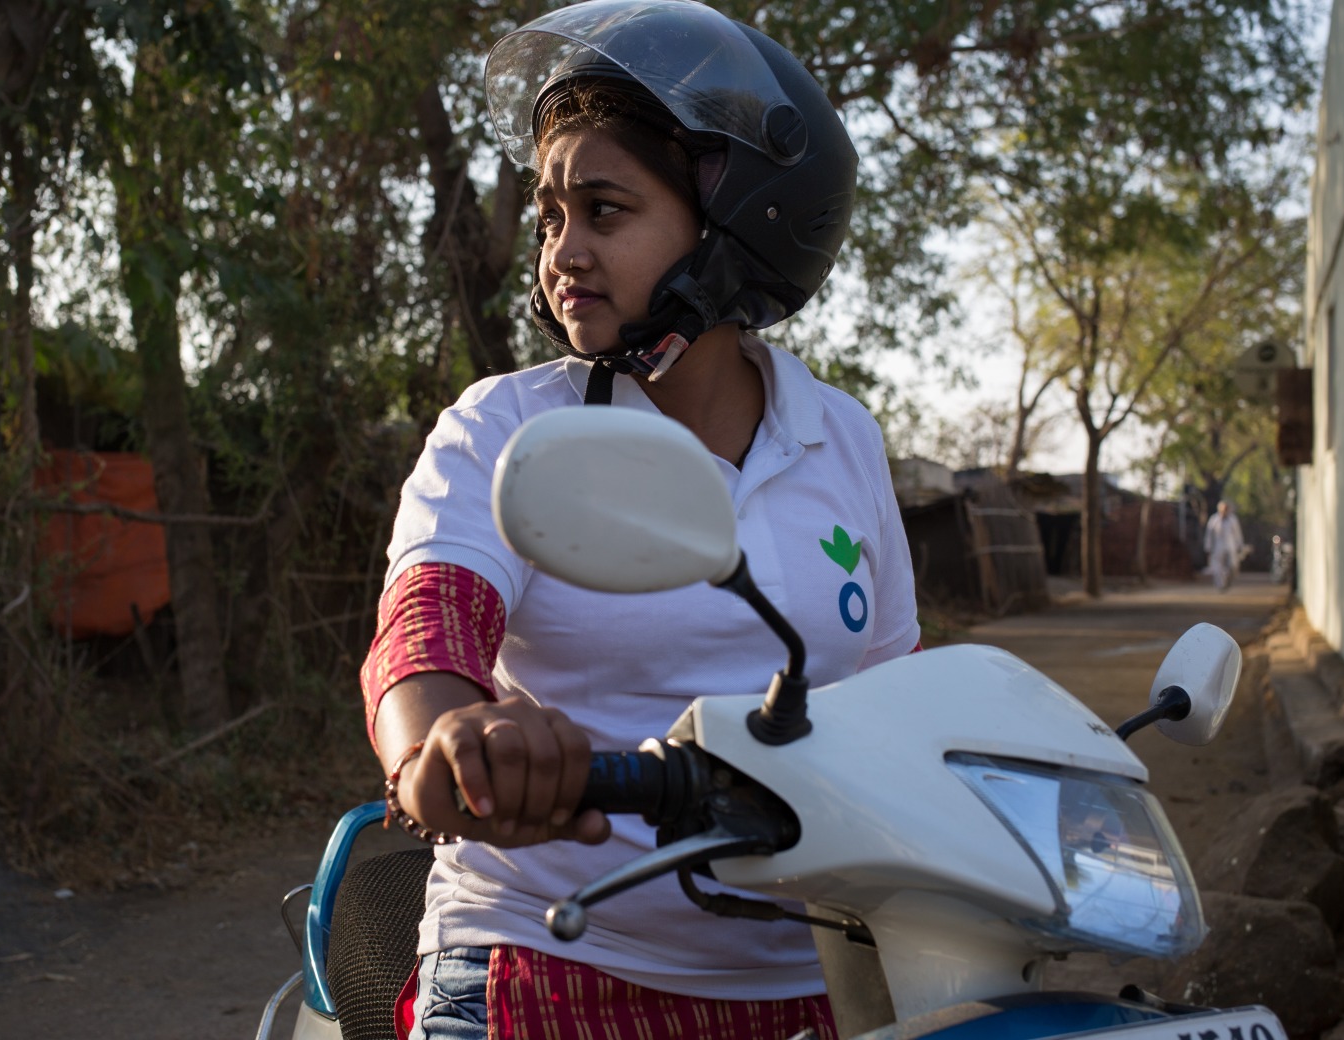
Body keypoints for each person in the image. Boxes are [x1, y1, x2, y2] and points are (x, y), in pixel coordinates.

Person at [358, 3, 922, 1038]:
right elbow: (426, 628)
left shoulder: (840, 440)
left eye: (603, 210)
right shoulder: (506, 426)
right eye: (548, 217)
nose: (560, 252)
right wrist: (450, 733)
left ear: (736, 224)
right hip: (542, 954)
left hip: (816, 984)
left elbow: (896, 703)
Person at [1203, 500, 1245, 591]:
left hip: (1231, 545)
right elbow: (1209, 535)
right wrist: (1208, 547)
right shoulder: (1214, 519)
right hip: (1218, 546)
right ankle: (1220, 585)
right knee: (1217, 567)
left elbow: (1238, 534)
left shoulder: (1233, 519)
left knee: (1233, 565)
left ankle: (1229, 579)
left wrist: (1240, 545)